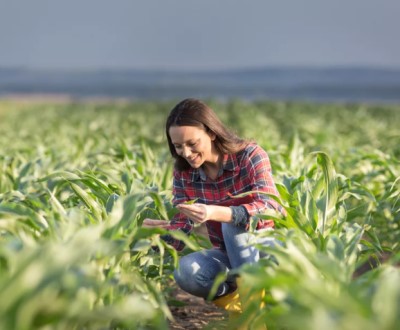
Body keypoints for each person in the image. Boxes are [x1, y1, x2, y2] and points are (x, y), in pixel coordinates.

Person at [143, 98, 285, 311]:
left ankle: (252, 314)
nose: (186, 153)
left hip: (267, 250)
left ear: (211, 133)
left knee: (231, 223)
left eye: (192, 144)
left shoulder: (249, 156)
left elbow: (271, 208)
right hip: (229, 255)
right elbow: (180, 232)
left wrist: (216, 212)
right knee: (186, 272)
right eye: (178, 146)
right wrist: (147, 236)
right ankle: (241, 306)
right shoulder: (184, 173)